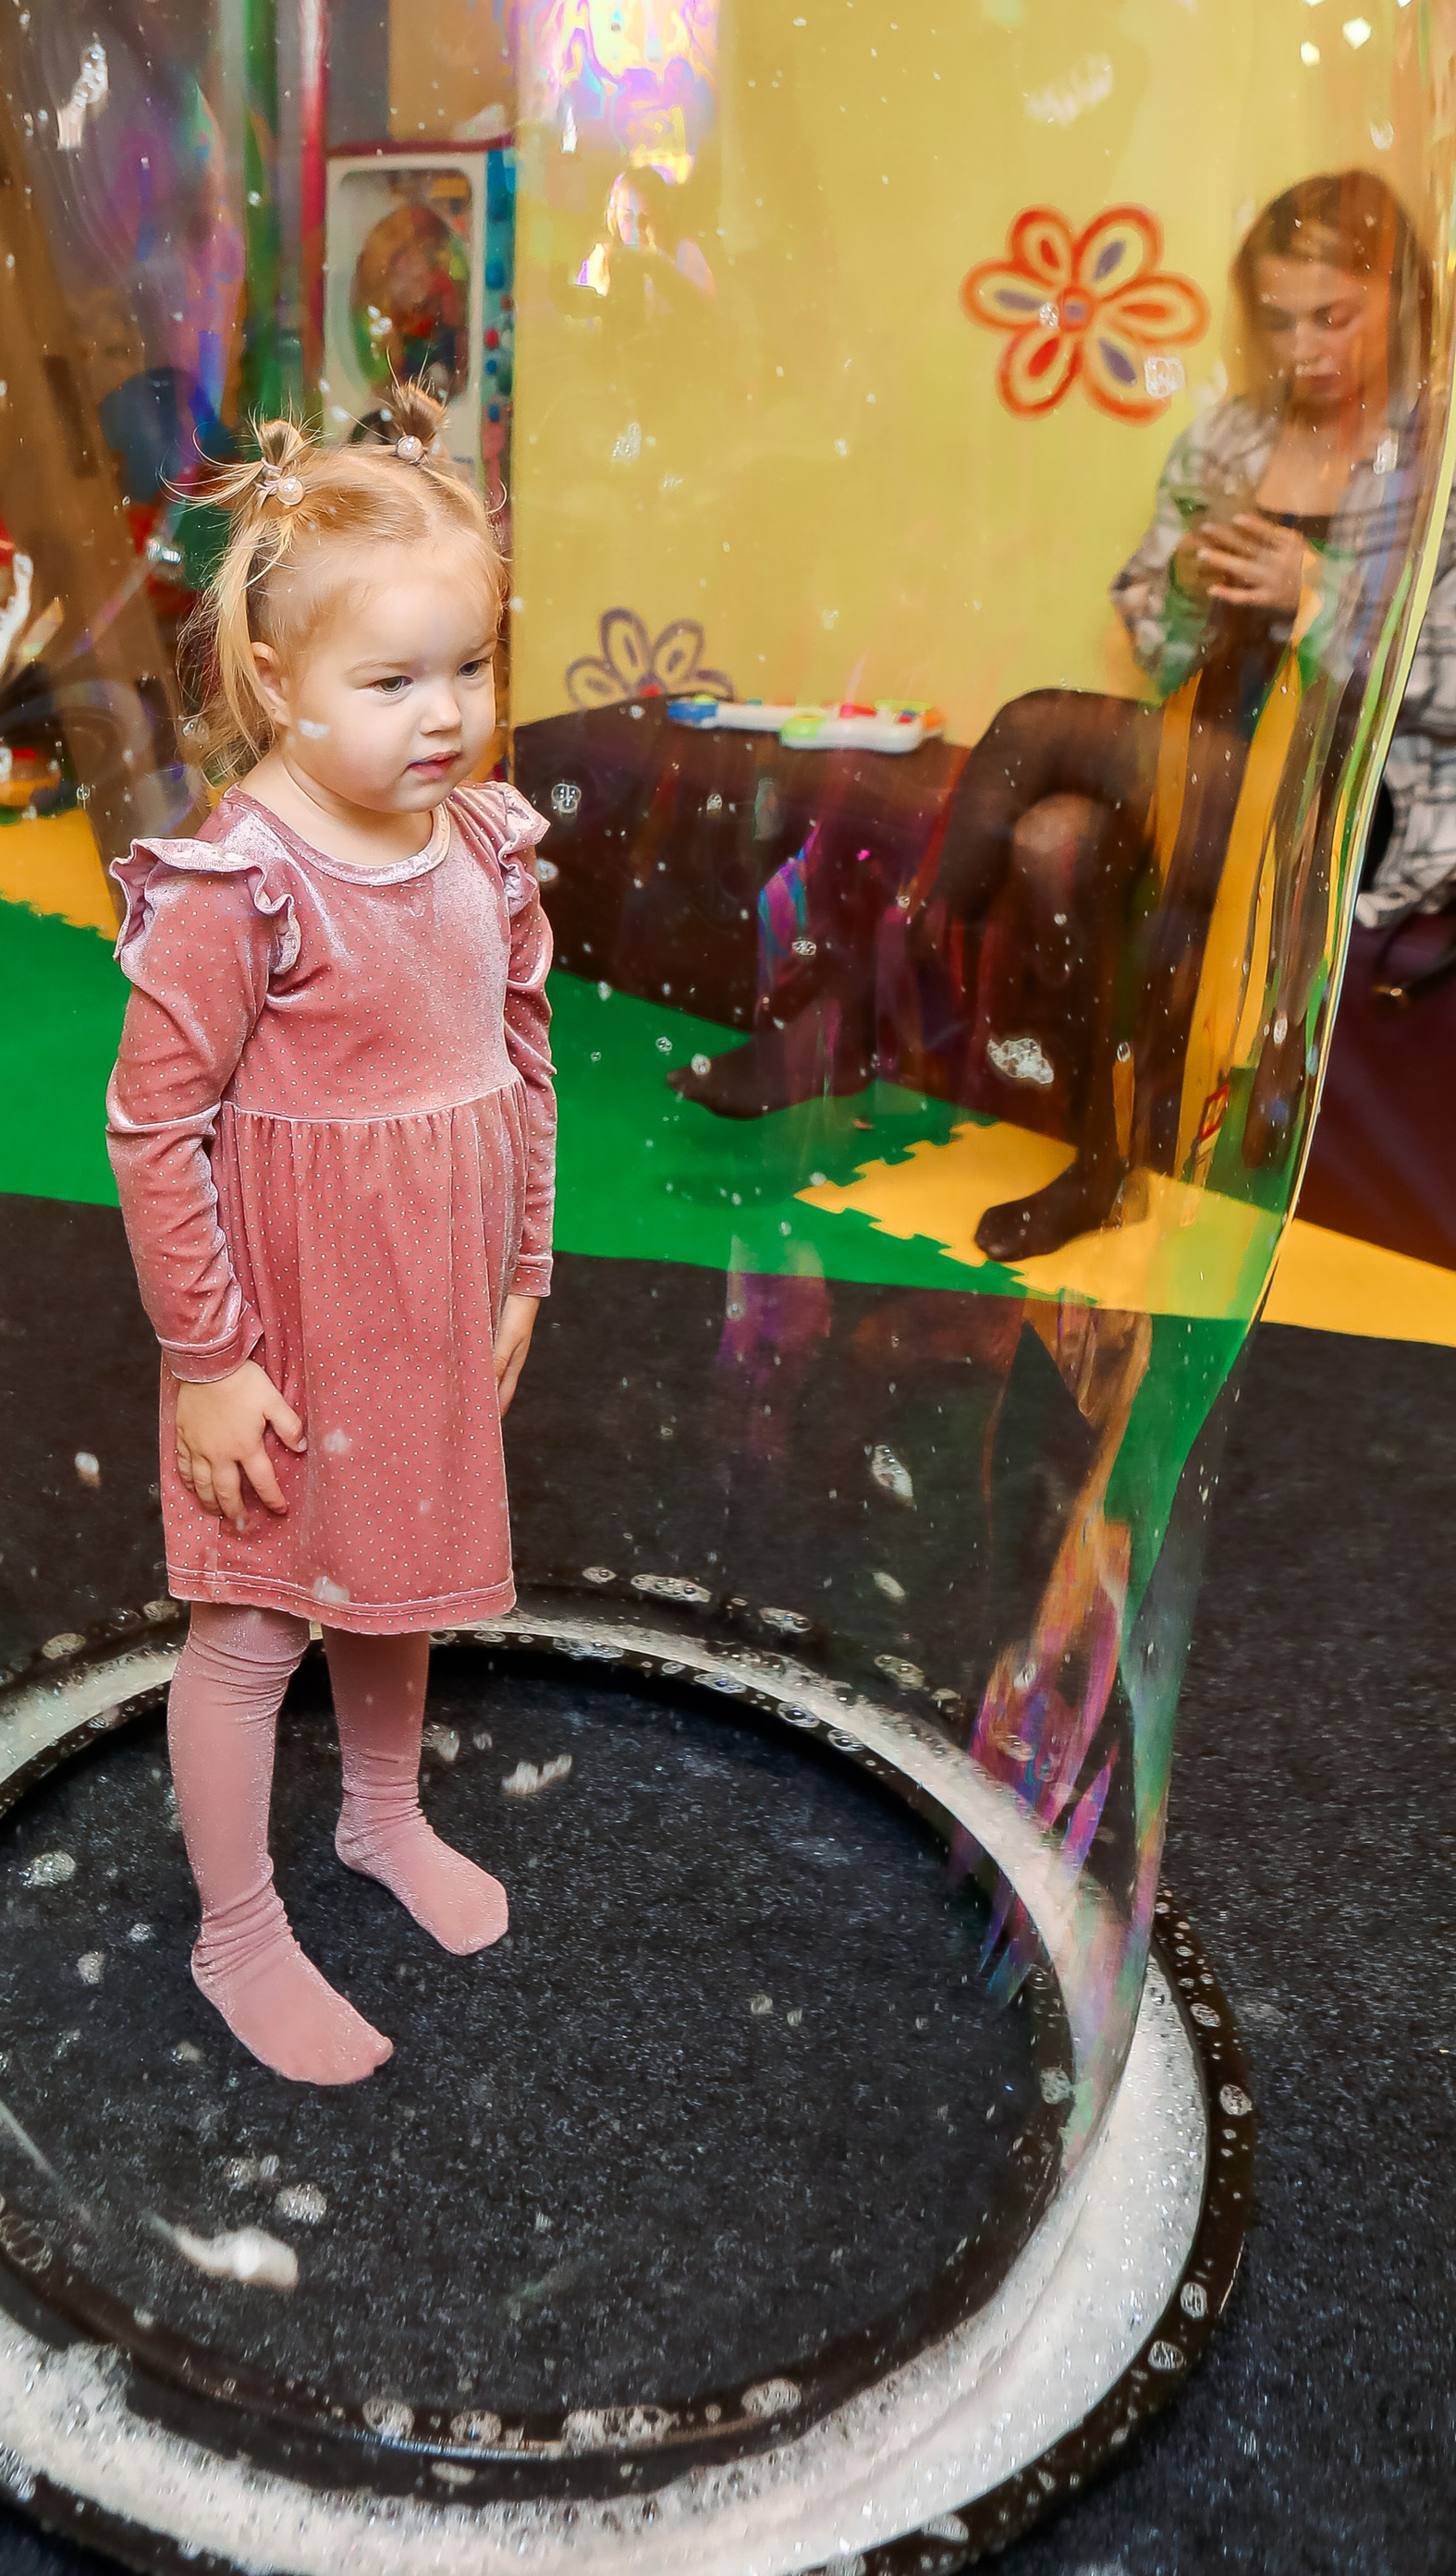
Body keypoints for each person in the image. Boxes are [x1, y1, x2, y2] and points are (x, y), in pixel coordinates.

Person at [684, 171, 1433, 1263]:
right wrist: (1183, 580)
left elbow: (1441, 696)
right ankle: (1100, 1164)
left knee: (1034, 720)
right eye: (1279, 320)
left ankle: (858, 1010)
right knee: (1049, 841)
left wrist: (1317, 603)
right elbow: (1157, 639)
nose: (1305, 347)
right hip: (1199, 749)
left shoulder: (1436, 455)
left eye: (1335, 316)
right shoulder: (1229, 439)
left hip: (1350, 787)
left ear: (1402, 300)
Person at [104, 385, 555, 2085]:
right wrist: (209, 1361)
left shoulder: (487, 843)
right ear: (278, 684)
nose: (444, 718)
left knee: (402, 1569)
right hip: (285, 1314)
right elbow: (153, 1123)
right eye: (391, 682)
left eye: (469, 668)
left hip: (433, 1285)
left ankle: (380, 1815)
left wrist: (527, 1260)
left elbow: (522, 1056)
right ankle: (236, 1934)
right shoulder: (242, 880)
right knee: (254, 1619)